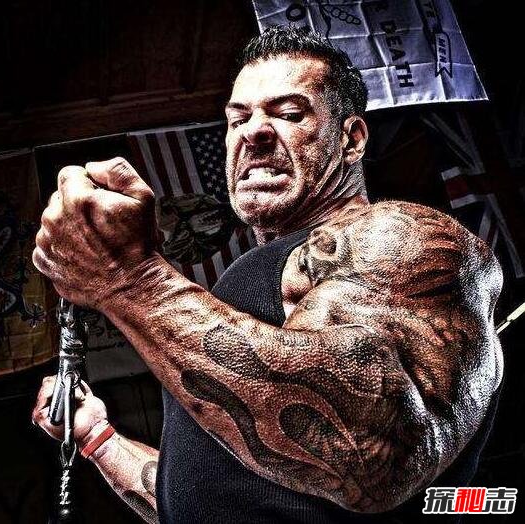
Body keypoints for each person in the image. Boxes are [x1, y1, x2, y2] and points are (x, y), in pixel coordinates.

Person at [32, 27, 503, 523]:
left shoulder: (400, 236)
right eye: (238, 119)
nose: (252, 132)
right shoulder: (238, 307)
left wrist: (128, 280)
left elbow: (372, 455)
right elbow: (209, 499)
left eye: (289, 114)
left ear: (351, 139)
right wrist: (97, 436)